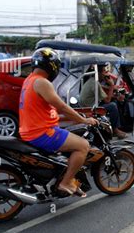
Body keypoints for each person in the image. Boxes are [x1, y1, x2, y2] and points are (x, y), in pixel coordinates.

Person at [19, 48, 98, 197]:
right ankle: (66, 182)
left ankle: (60, 175)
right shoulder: (42, 83)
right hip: (42, 133)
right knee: (83, 146)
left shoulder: (29, 80)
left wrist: (67, 118)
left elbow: (45, 110)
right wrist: (84, 120)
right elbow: (62, 106)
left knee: (69, 134)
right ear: (53, 66)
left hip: (29, 132)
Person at [79, 63, 127, 139]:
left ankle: (115, 127)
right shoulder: (95, 83)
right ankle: (115, 130)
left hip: (90, 104)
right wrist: (111, 85)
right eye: (104, 72)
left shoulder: (92, 81)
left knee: (114, 101)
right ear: (99, 73)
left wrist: (114, 93)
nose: (106, 74)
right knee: (112, 106)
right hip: (90, 108)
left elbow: (104, 94)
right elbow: (107, 100)